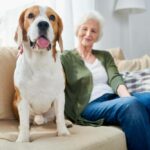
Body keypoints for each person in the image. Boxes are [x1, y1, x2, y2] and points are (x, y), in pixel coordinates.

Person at [61, 11, 150, 150]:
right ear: (78, 30)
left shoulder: (105, 56)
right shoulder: (65, 57)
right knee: (131, 105)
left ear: (98, 36)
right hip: (88, 106)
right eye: (84, 28)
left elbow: (115, 78)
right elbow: (48, 66)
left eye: (93, 31)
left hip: (112, 98)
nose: (88, 33)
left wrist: (126, 97)